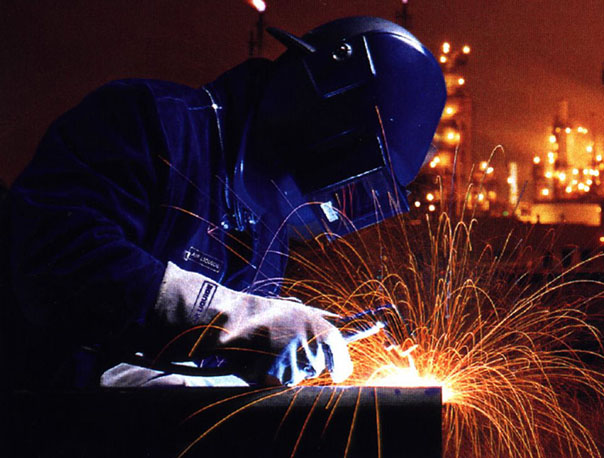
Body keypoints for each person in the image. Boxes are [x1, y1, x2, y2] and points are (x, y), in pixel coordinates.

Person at [1, 17, 445, 389]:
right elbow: (57, 257)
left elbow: (220, 353)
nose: (334, 199)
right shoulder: (146, 122)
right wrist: (240, 320)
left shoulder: (270, 219)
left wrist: (291, 342)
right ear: (320, 112)